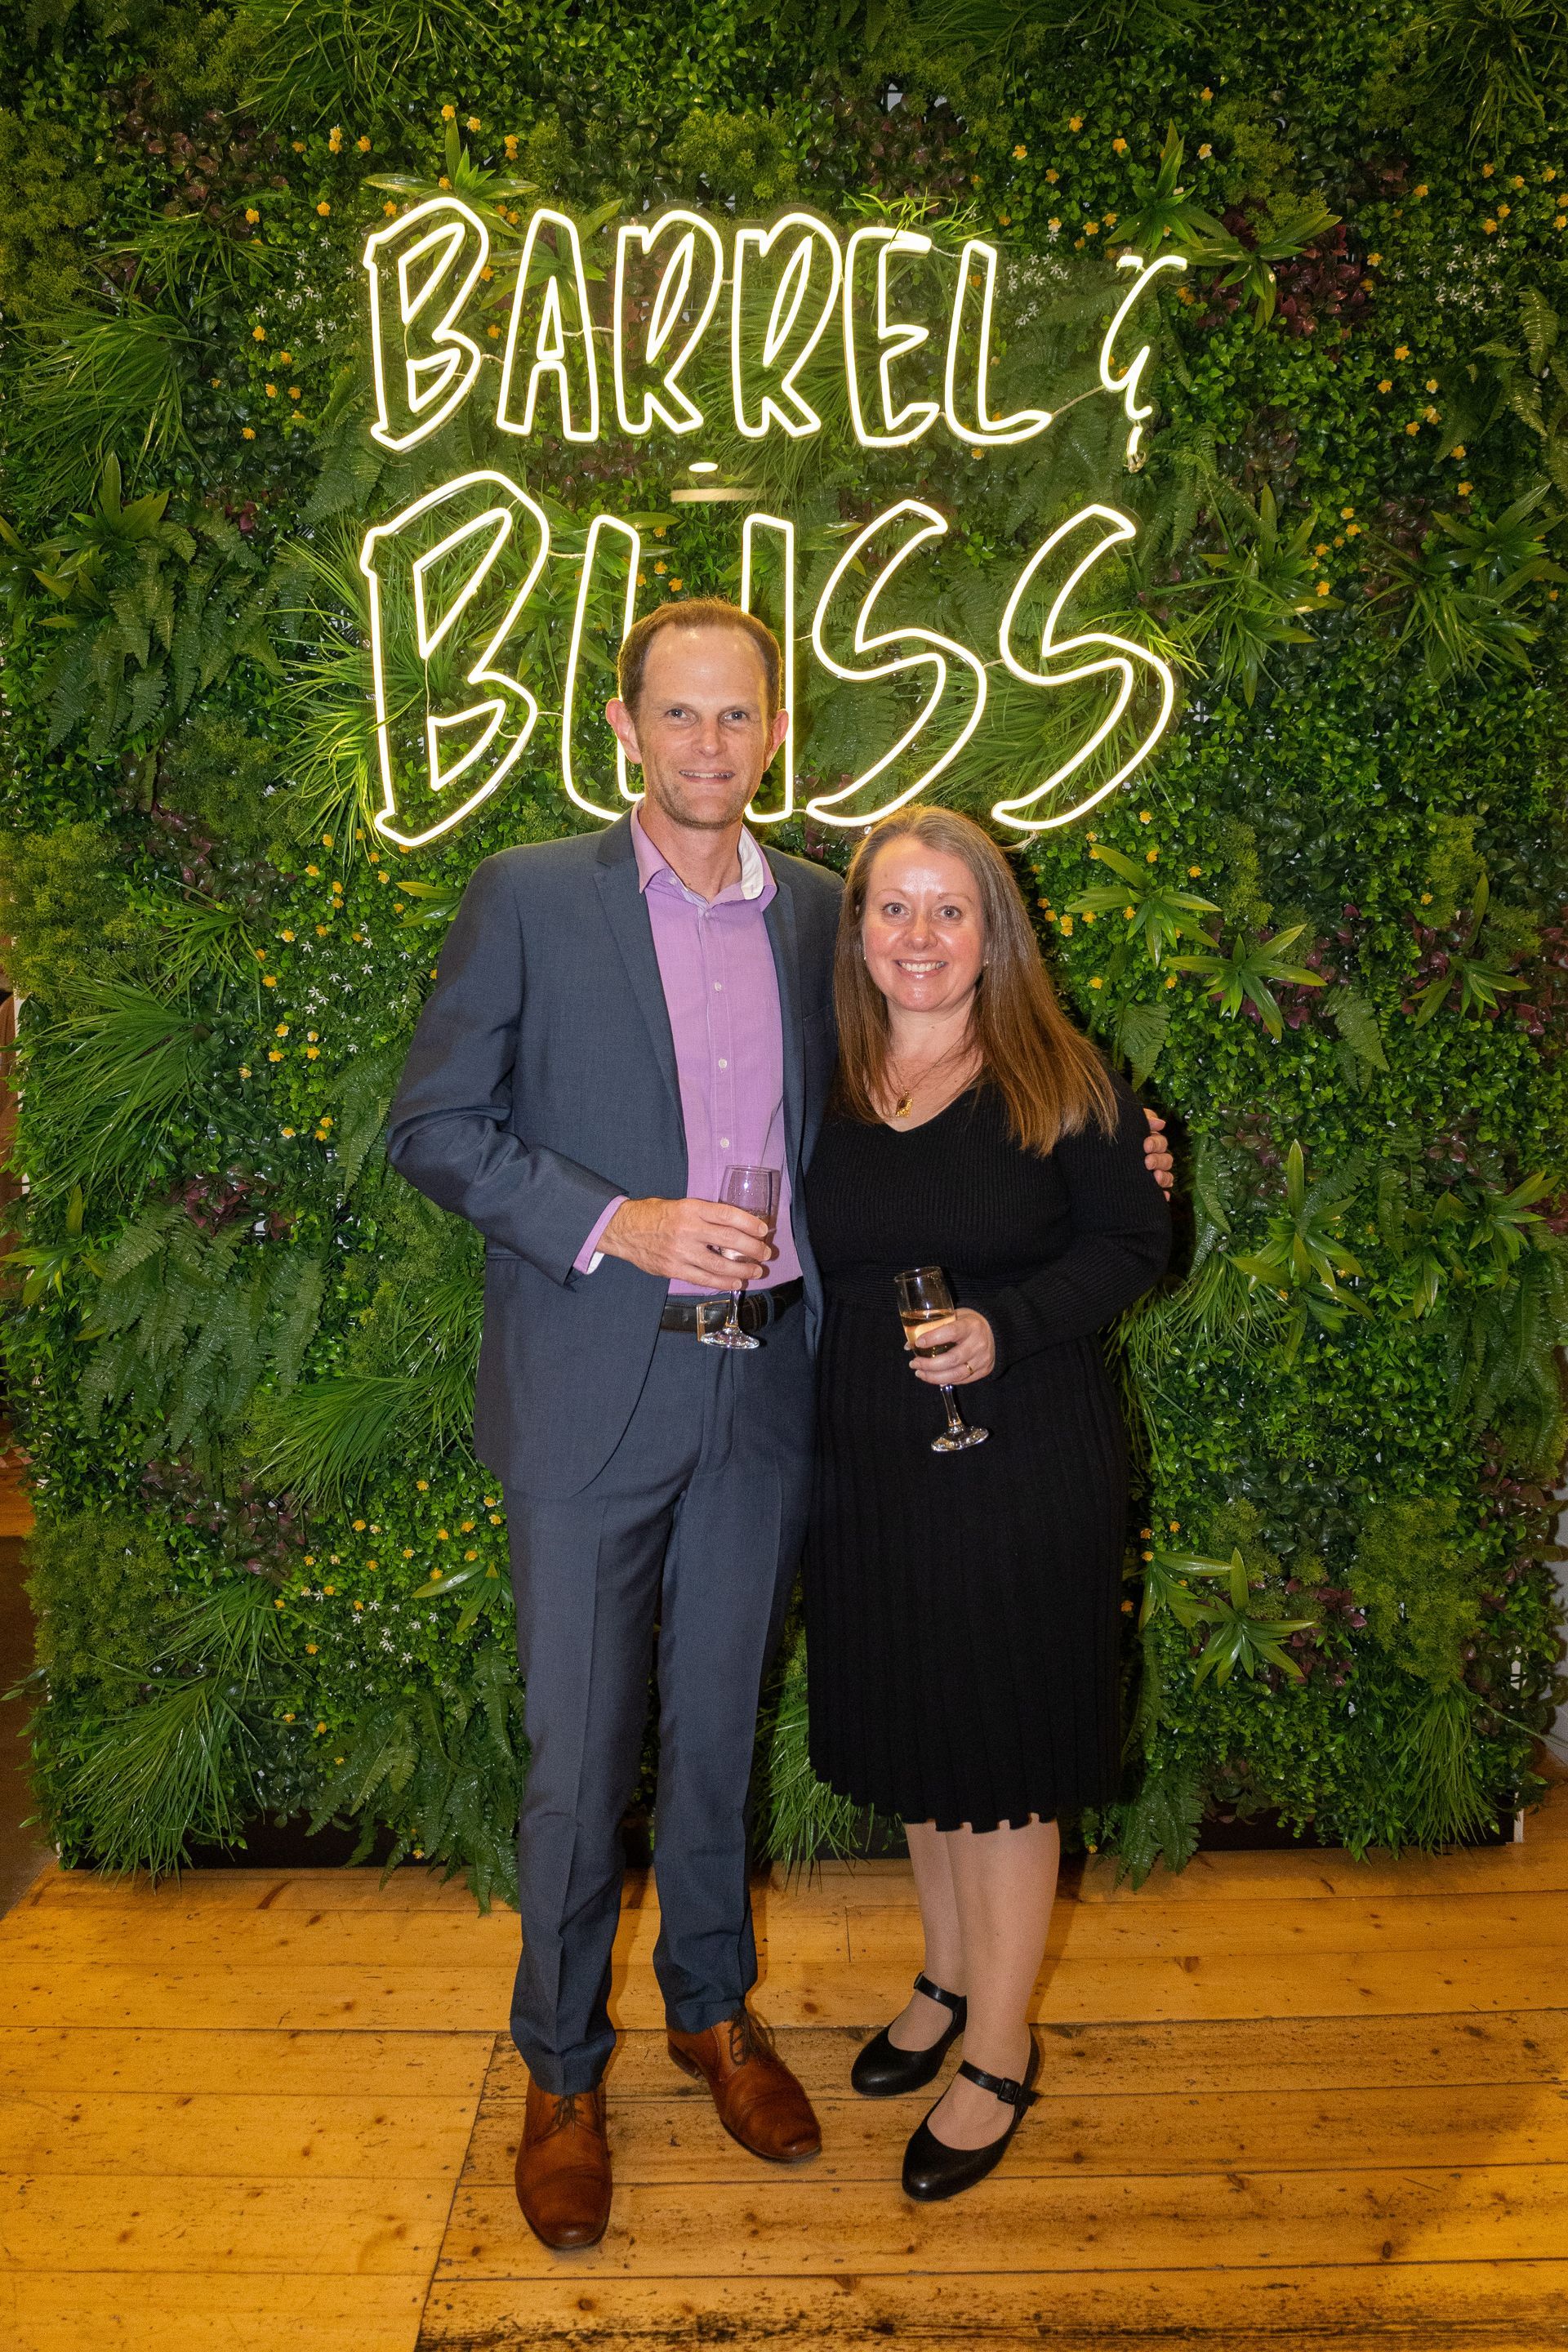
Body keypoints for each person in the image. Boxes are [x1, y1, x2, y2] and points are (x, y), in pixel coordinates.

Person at [386, 600, 1174, 2251]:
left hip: (773, 1400)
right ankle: (558, 2073)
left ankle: (711, 2011)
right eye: (677, 716)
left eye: (735, 717)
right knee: (579, 1756)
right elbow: (437, 1128)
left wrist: (1134, 1131)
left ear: (775, 730)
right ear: (622, 728)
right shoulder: (530, 898)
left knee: (721, 1738)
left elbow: (967, 1060)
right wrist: (626, 1225)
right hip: (594, 1394)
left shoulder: (827, 911)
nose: (707, 746)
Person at [802, 805, 1171, 2203]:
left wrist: (1006, 1329)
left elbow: (1138, 1240)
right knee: (922, 1734)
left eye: (948, 910)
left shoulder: (1060, 1078)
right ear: (857, 935)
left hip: (1019, 1464)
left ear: (993, 932)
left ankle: (1002, 2051)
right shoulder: (823, 1080)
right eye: (892, 909)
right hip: (871, 1474)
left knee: (1005, 1762)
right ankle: (949, 1981)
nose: (918, 937)